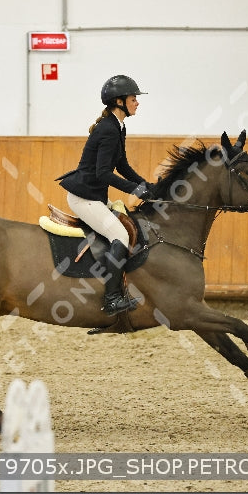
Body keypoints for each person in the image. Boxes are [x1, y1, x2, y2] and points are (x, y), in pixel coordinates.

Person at [56, 75, 155, 316]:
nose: (137, 103)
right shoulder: (109, 129)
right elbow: (102, 174)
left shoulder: (118, 126)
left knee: (127, 223)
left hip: (94, 194)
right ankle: (111, 299)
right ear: (119, 101)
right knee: (119, 235)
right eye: (134, 99)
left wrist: (147, 185)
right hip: (85, 197)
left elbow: (122, 166)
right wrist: (134, 190)